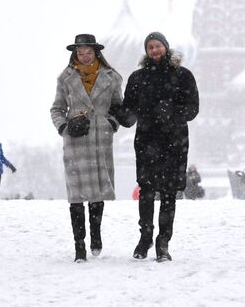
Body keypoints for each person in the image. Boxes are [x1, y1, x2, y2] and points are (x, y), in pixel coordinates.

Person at [111, 31, 199, 262]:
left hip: (174, 142)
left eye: (158, 46)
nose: (154, 50)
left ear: (166, 47)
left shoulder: (182, 76)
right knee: (146, 191)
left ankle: (163, 242)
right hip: (147, 141)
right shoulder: (138, 78)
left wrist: (172, 111)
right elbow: (129, 114)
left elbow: (193, 109)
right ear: (146, 51)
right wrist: (117, 111)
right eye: (150, 47)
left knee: (169, 194)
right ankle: (146, 237)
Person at [50, 34, 123, 262]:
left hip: (100, 138)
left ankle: (96, 235)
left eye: (88, 52)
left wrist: (112, 123)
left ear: (96, 52)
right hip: (76, 139)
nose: (84, 56)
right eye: (80, 53)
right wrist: (64, 127)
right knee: (76, 194)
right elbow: (56, 108)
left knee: (98, 190)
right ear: (75, 54)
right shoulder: (65, 78)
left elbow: (118, 107)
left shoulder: (112, 78)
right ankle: (79, 246)